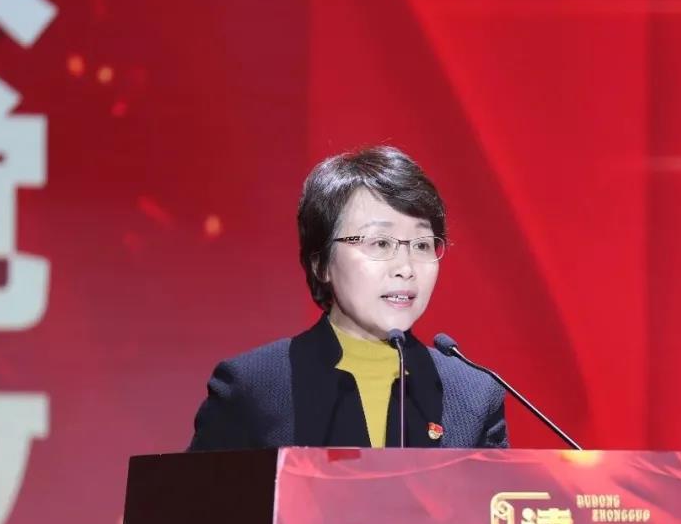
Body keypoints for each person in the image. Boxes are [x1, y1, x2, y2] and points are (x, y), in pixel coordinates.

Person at [188, 145, 507, 451]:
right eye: (380, 243)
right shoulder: (253, 386)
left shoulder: (474, 395)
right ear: (321, 263)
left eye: (422, 244)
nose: (406, 268)